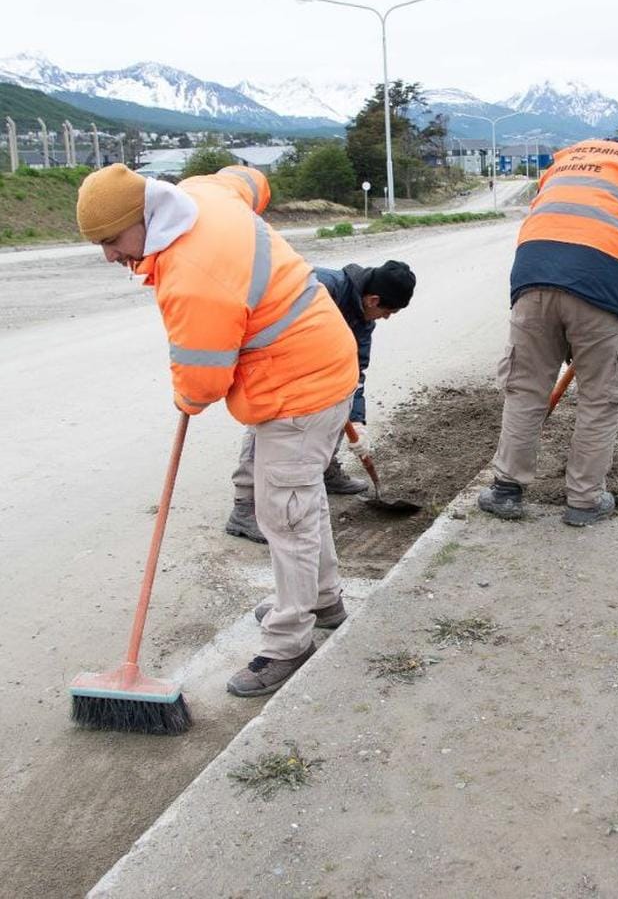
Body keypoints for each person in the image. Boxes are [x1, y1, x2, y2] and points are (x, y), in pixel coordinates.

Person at [77, 163, 360, 697]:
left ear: (143, 218)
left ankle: (288, 643)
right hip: (323, 361)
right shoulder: (201, 193)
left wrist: (185, 395)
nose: (110, 256)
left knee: (287, 516)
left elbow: (203, 383)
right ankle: (322, 600)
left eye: (112, 241)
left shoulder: (191, 275)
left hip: (298, 387)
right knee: (302, 502)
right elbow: (252, 179)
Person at [478, 131, 618, 526]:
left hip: (530, 277)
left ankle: (506, 490)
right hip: (601, 282)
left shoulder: (562, 163)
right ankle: (584, 500)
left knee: (525, 387)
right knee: (601, 396)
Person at [225, 260, 416, 544]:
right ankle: (244, 507)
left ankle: (325, 469)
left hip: (315, 375)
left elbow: (355, 372)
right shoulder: (321, 287)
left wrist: (358, 421)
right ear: (373, 299)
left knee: (340, 398)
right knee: (265, 425)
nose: (386, 317)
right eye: (388, 311)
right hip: (274, 366)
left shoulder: (363, 318)